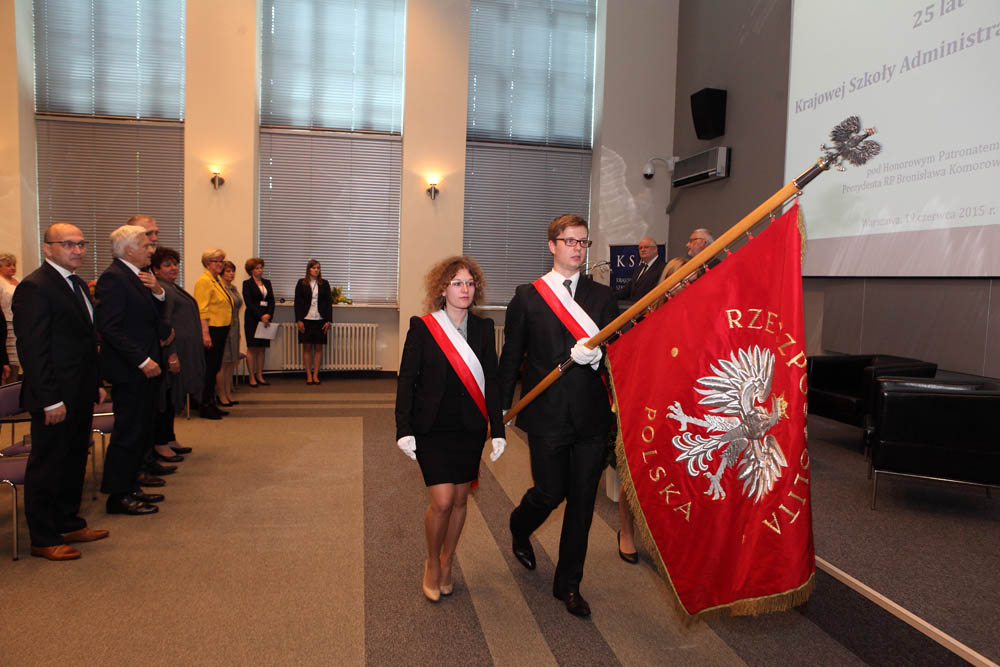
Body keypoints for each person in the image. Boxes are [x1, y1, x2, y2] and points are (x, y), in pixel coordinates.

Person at [499, 213, 618, 618]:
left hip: (590, 418)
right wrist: (501, 408)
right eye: (570, 241)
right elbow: (511, 355)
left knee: (582, 502)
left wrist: (598, 356)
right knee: (550, 493)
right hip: (546, 414)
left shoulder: (602, 297)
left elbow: (617, 354)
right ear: (552, 245)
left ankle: (568, 583)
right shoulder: (528, 296)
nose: (577, 249)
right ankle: (520, 525)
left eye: (583, 242)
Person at [395, 256, 507, 602]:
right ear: (442, 289)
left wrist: (498, 430)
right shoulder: (423, 327)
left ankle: (448, 560)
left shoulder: (484, 329)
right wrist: (403, 428)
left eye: (470, 283)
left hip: (469, 427)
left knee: (460, 499)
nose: (465, 289)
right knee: (442, 501)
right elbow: (406, 381)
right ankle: (432, 561)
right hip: (432, 427)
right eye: (457, 283)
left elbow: (492, 382)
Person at [12, 223, 105, 559]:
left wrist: (95, 383)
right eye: (67, 244)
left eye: (81, 243)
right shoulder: (35, 287)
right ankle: (43, 536)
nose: (77, 250)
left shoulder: (76, 283)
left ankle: (68, 521)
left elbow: (85, 341)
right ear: (47, 248)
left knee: (74, 458)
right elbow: (33, 349)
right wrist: (50, 399)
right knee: (48, 464)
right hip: (54, 395)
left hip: (80, 389)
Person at [96, 224, 167, 516]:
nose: (151, 250)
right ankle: (118, 495)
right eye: (145, 246)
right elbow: (110, 327)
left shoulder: (137, 275)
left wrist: (158, 292)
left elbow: (152, 318)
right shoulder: (114, 278)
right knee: (128, 433)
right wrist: (142, 360)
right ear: (128, 250)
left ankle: (130, 486)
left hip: (145, 366)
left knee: (140, 431)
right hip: (130, 368)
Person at [151, 246, 201, 458]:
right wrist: (172, 355)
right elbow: (165, 325)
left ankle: (170, 437)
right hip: (171, 353)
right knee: (165, 398)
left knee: (172, 399)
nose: (173, 268)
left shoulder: (170, 286)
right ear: (155, 269)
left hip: (181, 350)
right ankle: (160, 442)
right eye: (167, 265)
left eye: (175, 264)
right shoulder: (160, 290)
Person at [194, 248, 233, 419]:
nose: (220, 264)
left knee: (215, 367)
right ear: (207, 263)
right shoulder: (204, 281)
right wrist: (205, 334)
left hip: (221, 329)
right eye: (215, 261)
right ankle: (205, 405)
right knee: (209, 370)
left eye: (221, 261)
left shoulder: (216, 280)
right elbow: (201, 310)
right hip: (211, 330)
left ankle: (211, 403)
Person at [293, 259, 332, 385]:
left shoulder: (324, 283)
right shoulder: (301, 283)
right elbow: (297, 303)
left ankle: (316, 375)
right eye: (314, 268)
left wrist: (328, 320)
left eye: (318, 268)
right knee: (307, 348)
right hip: (306, 319)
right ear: (308, 269)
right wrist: (299, 320)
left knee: (318, 348)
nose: (316, 270)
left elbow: (328, 303)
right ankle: (308, 375)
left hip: (320, 320)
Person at [242, 257, 274, 387]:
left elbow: (271, 301)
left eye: (261, 268)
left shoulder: (267, 282)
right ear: (251, 270)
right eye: (257, 268)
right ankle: (251, 376)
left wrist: (268, 315)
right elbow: (249, 303)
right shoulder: (247, 284)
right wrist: (261, 316)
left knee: (262, 348)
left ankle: (260, 375)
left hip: (266, 320)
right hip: (252, 319)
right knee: (252, 348)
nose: (260, 270)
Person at [216, 261, 243, 407]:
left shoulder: (233, 288)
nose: (231, 274)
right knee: (223, 363)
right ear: (221, 273)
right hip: (223, 327)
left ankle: (228, 392)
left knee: (231, 362)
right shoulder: (219, 288)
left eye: (233, 271)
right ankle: (221, 394)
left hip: (234, 326)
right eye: (228, 271)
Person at [614, 237, 664, 302]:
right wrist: (609, 297)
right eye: (640, 248)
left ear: (655, 249)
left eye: (646, 247)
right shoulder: (639, 269)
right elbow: (627, 290)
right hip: (633, 306)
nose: (642, 250)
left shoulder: (663, 267)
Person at [0, 252, 19, 377]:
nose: (12, 268)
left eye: (14, 265)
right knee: (10, 360)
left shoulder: (17, 280)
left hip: (18, 322)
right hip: (6, 322)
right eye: (8, 265)